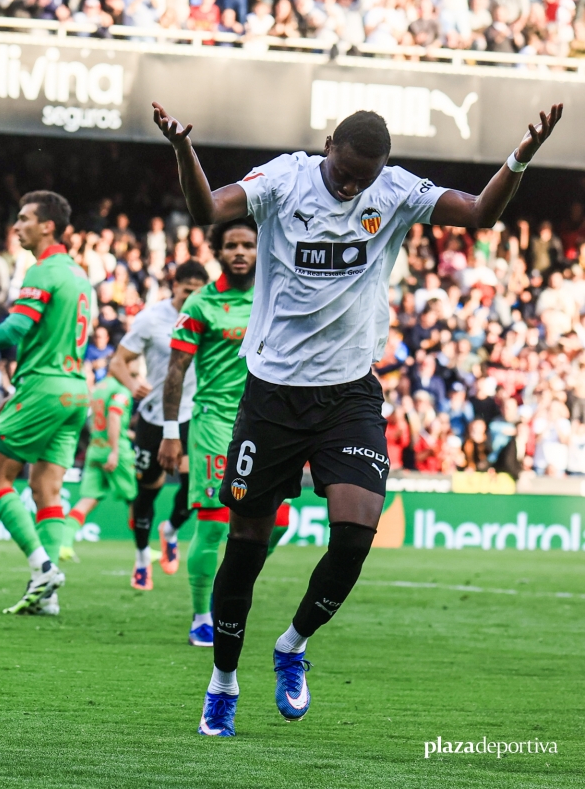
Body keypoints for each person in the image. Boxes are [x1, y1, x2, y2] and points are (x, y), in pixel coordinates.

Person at [151, 98, 562, 736]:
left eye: (363, 178)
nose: (350, 186)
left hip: (348, 395)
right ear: (327, 146)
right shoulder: (283, 181)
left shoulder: (394, 193)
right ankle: (223, 682)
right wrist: (184, 150)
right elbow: (208, 210)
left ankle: (292, 644)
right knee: (247, 548)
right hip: (273, 395)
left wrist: (520, 157)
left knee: (353, 538)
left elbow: (479, 214)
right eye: (343, 171)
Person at [0, 191, 92, 616]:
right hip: (75, 391)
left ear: (48, 226)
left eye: (25, 218)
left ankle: (42, 566)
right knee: (47, 489)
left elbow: (13, 331)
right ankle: (47, 596)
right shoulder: (78, 275)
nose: (17, 225)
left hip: (42, 387)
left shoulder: (42, 272)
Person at [158, 221, 289, 647]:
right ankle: (202, 616)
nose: (239, 251)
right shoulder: (200, 303)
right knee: (215, 526)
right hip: (216, 423)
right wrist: (170, 431)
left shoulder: (275, 295)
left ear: (259, 249)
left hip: (268, 422)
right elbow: (175, 370)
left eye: (248, 245)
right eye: (230, 244)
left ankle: (226, 589)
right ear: (217, 251)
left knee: (280, 524)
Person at [107, 260, 208, 586]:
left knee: (195, 490)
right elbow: (117, 361)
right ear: (174, 287)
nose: (192, 296)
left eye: (198, 291)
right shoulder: (152, 318)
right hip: (154, 417)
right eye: (186, 290)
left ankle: (170, 530)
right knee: (147, 493)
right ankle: (140, 559)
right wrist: (131, 383)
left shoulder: (210, 315)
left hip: (194, 415)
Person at [64, 372, 137, 564]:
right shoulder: (121, 389)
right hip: (115, 449)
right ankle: (142, 551)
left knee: (88, 499)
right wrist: (114, 450)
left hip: (95, 447)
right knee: (135, 500)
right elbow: (114, 416)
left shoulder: (99, 389)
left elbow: (94, 420)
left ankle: (64, 543)